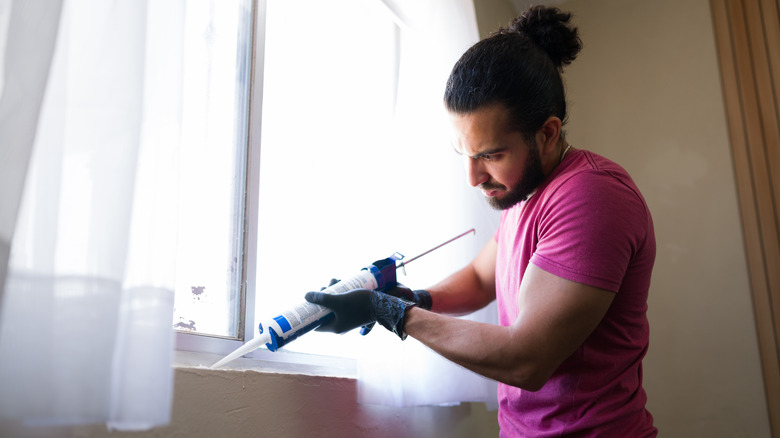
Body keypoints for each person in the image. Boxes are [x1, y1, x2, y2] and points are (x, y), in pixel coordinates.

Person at [305, 5, 657, 437]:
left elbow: (526, 359)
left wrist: (390, 311)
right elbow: (480, 279)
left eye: (490, 155)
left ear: (547, 134)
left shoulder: (590, 196)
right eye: (465, 155)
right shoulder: (526, 194)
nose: (473, 177)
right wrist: (413, 297)